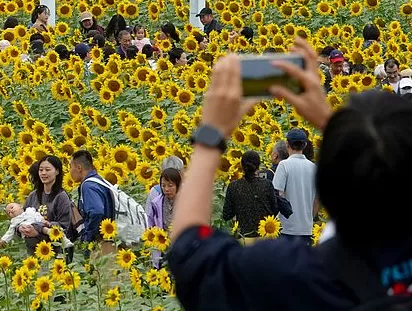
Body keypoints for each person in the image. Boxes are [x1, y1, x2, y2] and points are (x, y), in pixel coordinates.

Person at [168, 37, 412, 310]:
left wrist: (210, 137)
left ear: (325, 184)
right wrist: (347, 130)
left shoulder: (298, 279)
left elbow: (191, 257)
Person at [271, 128, 318, 245]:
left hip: (287, 227)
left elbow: (277, 194)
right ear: (305, 145)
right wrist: (310, 217)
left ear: (287, 144)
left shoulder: (284, 165)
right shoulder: (313, 168)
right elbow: (317, 199)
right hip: (306, 228)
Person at [17, 156, 71, 255]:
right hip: (32, 252)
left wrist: (39, 229)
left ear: (57, 171)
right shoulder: (33, 195)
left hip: (53, 253)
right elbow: (21, 217)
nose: (43, 173)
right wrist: (20, 228)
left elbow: (64, 226)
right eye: (41, 170)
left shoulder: (61, 197)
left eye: (47, 170)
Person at [222, 150, 278, 242]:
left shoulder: (233, 186)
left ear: (242, 166)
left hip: (244, 239)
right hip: (265, 240)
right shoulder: (267, 184)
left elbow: (226, 215)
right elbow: (275, 210)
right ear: (258, 166)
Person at [69, 151, 113, 248]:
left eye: (70, 167)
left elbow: (97, 212)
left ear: (79, 168)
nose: (70, 171)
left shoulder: (88, 186)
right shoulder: (99, 181)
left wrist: (87, 238)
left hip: (104, 242)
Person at [147, 168, 181, 265]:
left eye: (170, 185)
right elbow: (150, 224)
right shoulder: (156, 203)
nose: (166, 189)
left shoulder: (186, 203)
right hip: (162, 247)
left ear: (178, 185)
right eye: (163, 185)